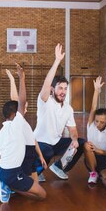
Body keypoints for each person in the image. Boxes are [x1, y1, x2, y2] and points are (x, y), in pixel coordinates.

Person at [0, 63, 47, 204]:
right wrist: (21, 78)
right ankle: (7, 185)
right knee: (41, 195)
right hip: (15, 170)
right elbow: (20, 100)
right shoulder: (17, 125)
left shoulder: (3, 131)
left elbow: (17, 102)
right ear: (14, 113)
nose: (24, 109)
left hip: (10, 166)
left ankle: (2, 180)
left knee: (34, 185)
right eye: (21, 108)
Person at [33, 44, 86, 180]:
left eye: (65, 88)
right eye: (60, 88)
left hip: (55, 142)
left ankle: (59, 167)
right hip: (39, 142)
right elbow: (46, 83)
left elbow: (73, 130)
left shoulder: (68, 108)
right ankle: (35, 172)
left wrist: (74, 140)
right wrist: (57, 61)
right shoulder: (45, 101)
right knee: (48, 151)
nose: (63, 91)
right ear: (52, 89)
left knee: (81, 143)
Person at [82, 76, 106, 188]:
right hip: (91, 159)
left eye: (102, 122)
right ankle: (93, 173)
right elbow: (93, 107)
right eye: (97, 121)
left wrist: (98, 150)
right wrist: (96, 90)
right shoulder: (91, 126)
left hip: (104, 160)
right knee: (86, 145)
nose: (98, 124)